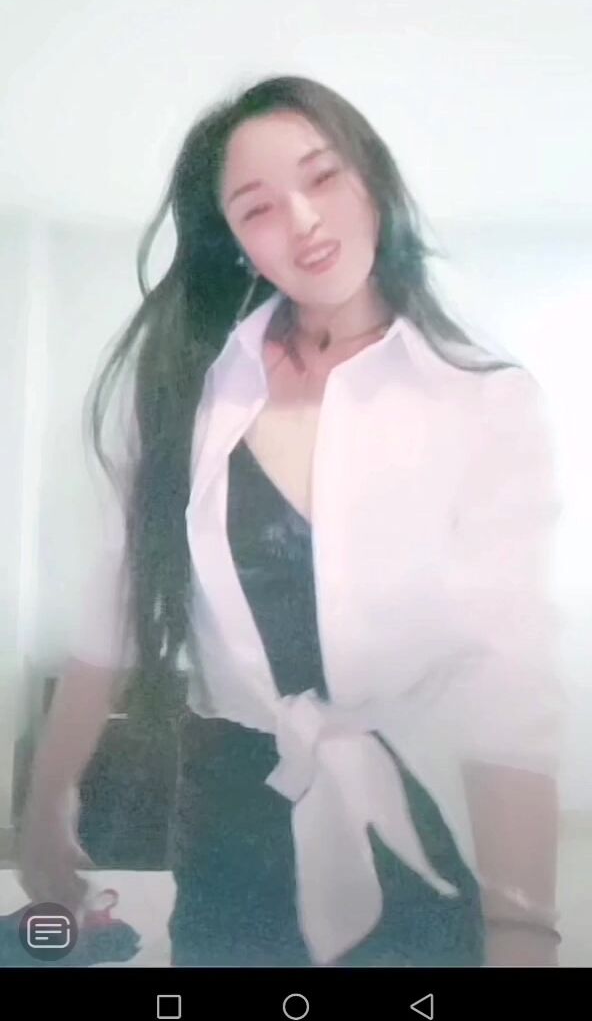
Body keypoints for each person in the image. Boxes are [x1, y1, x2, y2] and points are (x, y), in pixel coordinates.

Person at [17, 76, 565, 968]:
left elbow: (510, 678)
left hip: (412, 802)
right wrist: (48, 796)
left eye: (322, 176)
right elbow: (115, 591)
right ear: (235, 240)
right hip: (227, 808)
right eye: (258, 207)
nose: (303, 221)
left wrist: (522, 928)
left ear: (371, 179)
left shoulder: (483, 402)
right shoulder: (187, 386)